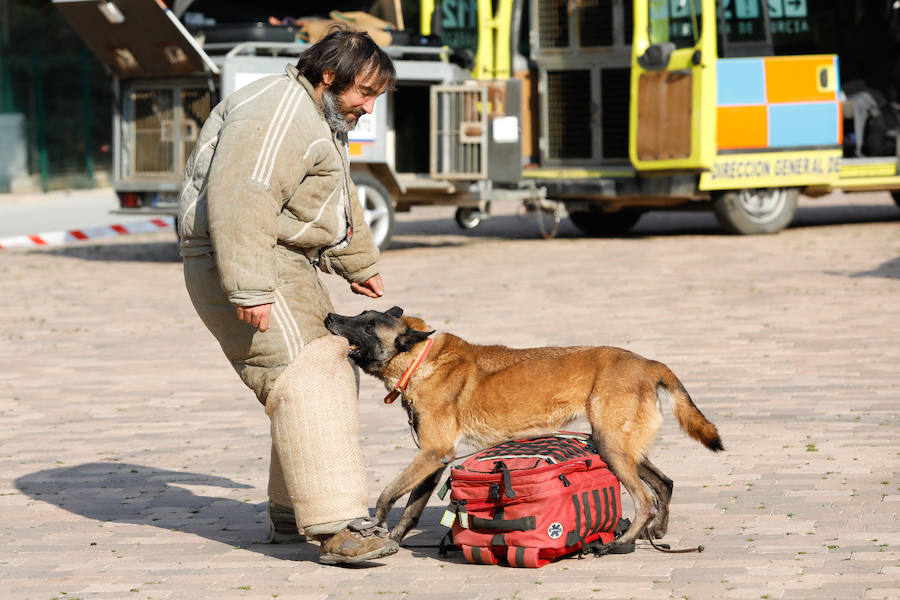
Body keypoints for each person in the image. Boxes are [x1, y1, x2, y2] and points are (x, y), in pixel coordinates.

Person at [177, 29, 397, 565]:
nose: (369, 107)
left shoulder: (314, 112)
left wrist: (356, 264)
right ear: (329, 76)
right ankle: (338, 526)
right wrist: (249, 287)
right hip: (245, 257)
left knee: (319, 365)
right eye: (365, 94)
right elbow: (242, 199)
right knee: (309, 372)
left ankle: (291, 508)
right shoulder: (278, 113)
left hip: (282, 257)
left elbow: (336, 193)